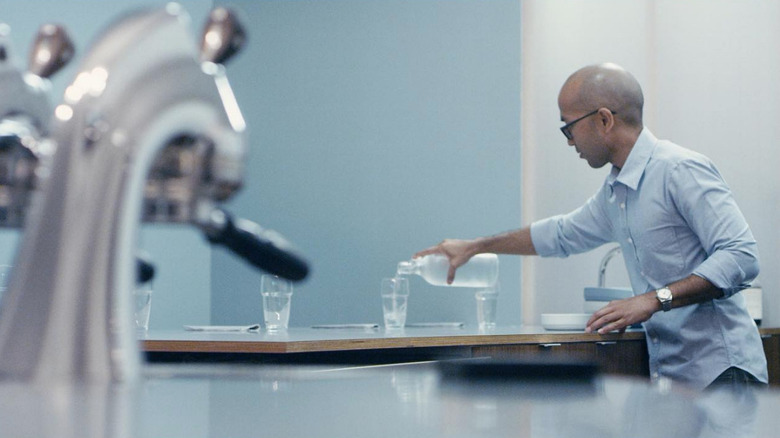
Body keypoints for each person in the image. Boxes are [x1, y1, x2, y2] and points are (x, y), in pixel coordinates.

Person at [414, 63, 768, 391]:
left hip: (723, 373)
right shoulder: (616, 192)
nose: (569, 141)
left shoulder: (679, 169)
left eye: (568, 126)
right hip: (674, 379)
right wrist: (475, 246)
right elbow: (561, 233)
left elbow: (741, 255)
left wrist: (654, 299)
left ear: (603, 120)